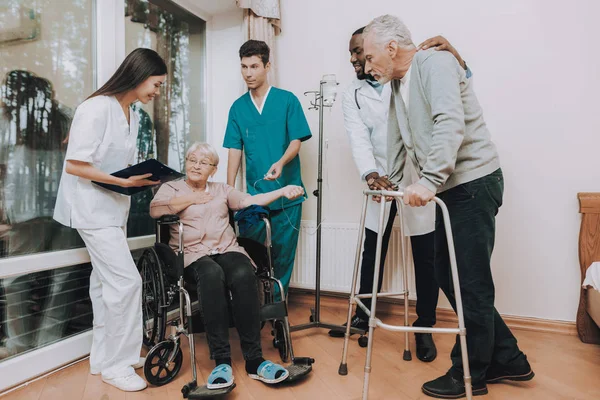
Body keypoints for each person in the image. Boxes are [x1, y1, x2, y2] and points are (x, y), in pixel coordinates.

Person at [363, 15, 534, 398]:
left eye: (370, 56)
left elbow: (449, 122)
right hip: (453, 191)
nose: (366, 65)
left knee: (469, 281)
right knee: (448, 273)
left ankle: (470, 374)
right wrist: (386, 179)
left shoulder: (433, 62)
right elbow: (400, 139)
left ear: (391, 48)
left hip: (473, 184)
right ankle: (509, 357)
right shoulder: (397, 85)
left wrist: (428, 180)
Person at [332, 28, 470, 364]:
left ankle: (424, 326)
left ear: (378, 50)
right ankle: (364, 316)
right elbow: (358, 136)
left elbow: (453, 94)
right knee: (372, 248)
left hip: (419, 175)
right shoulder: (352, 93)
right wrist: (370, 173)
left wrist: (459, 58)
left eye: (360, 52)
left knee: (426, 253)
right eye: (352, 54)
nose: (354, 60)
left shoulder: (408, 72)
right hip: (381, 176)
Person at [53, 48, 168, 392]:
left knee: (104, 284)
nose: (157, 92)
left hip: (112, 208)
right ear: (139, 74)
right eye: (156, 84)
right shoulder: (96, 107)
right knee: (126, 283)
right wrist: (125, 182)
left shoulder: (130, 113)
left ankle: (102, 357)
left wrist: (141, 178)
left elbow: (112, 163)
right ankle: (118, 366)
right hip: (91, 209)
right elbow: (75, 164)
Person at [150, 142, 304, 389]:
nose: (196, 165)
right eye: (192, 159)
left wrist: (282, 191)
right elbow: (155, 210)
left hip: (226, 247)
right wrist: (192, 198)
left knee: (244, 273)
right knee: (211, 275)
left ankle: (254, 360)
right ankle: (221, 360)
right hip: (192, 254)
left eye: (203, 162)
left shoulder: (221, 189)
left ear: (213, 169)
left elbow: (250, 200)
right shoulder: (172, 188)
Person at [223, 40, 312, 298]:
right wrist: (229, 193)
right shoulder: (238, 108)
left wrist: (280, 163)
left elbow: (296, 141)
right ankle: (254, 306)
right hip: (254, 198)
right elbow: (234, 151)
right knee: (251, 254)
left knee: (282, 256)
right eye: (243, 67)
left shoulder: (287, 101)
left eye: (254, 66)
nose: (248, 73)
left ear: (267, 66)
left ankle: (277, 309)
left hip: (288, 195)